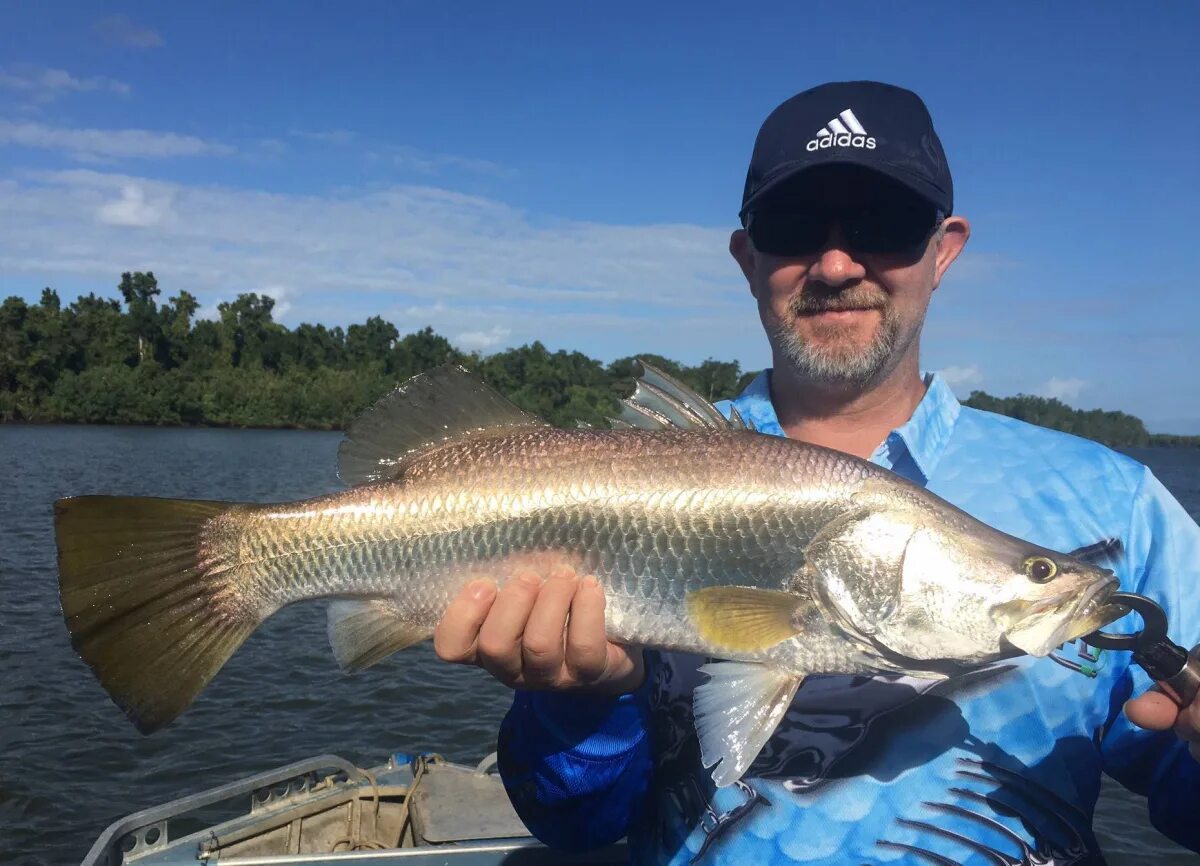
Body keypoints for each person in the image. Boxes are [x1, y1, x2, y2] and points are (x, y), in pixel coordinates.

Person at [432, 81, 1200, 865]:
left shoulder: (1118, 507)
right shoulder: (615, 485)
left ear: (946, 248)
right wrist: (578, 703)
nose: (835, 264)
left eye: (885, 224)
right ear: (747, 256)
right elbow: (576, 827)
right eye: (794, 225)